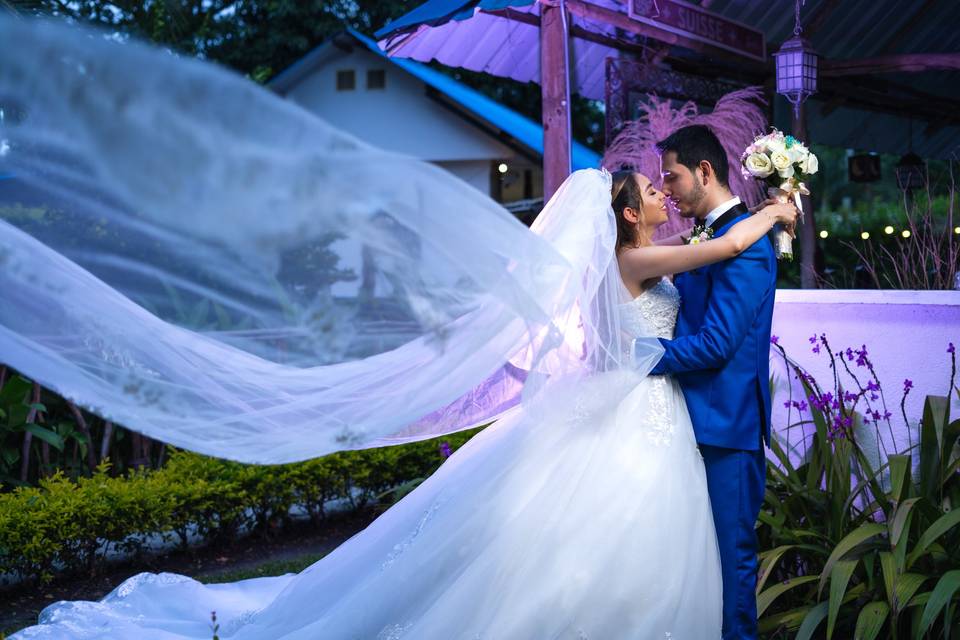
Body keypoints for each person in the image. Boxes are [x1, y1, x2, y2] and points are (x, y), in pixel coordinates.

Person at [2, 18, 796, 640]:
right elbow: (720, 252)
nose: (663, 193)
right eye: (652, 192)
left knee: (639, 546)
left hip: (657, 410)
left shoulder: (645, 257)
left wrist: (646, 339)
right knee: (621, 544)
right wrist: (779, 209)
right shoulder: (650, 261)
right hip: (647, 407)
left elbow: (709, 277)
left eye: (670, 183)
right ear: (627, 213)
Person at [642, 124, 782, 640]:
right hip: (682, 423)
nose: (669, 189)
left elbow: (717, 344)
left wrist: (633, 358)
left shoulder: (746, 245)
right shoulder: (712, 237)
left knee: (730, 560)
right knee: (688, 559)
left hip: (726, 429)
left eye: (673, 177)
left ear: (705, 171)